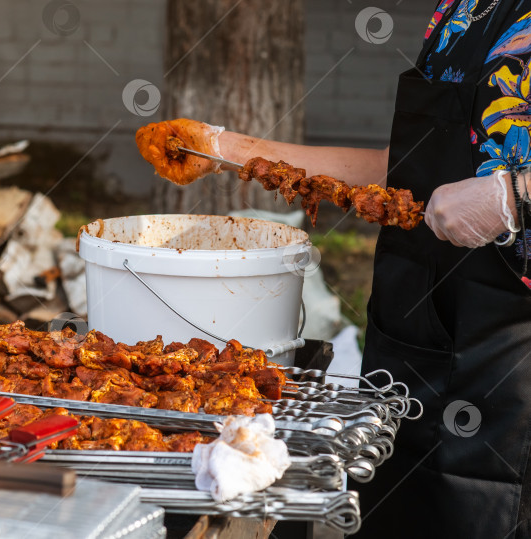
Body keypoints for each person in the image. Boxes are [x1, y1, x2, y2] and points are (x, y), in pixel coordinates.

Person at [141, 1, 531, 537]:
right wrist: (228, 148)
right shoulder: (462, 10)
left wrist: (514, 196)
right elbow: (407, 167)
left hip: (510, 350)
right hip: (417, 329)